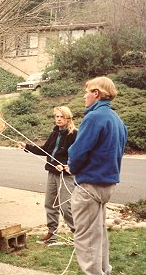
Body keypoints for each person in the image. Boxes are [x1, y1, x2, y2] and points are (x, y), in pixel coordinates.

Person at [64, 77, 127, 275]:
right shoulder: (117, 119)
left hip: (89, 185)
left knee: (85, 237)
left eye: (87, 91)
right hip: (107, 185)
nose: (84, 95)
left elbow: (78, 152)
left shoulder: (93, 117)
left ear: (97, 94)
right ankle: (104, 271)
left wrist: (72, 167)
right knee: (98, 233)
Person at [17, 106, 77, 245]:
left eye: (61, 116)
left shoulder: (74, 134)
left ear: (68, 118)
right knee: (50, 204)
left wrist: (65, 165)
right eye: (56, 116)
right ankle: (52, 234)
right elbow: (45, 150)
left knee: (65, 206)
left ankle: (79, 234)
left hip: (66, 175)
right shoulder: (54, 134)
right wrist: (26, 146)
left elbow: (78, 155)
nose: (59, 119)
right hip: (52, 173)